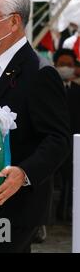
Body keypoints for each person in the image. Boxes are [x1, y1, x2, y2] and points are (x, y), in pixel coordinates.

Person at [0, 0, 70, 253]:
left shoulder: (40, 72)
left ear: (14, 21)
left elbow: (57, 139)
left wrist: (24, 173)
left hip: (18, 204)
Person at [53, 48, 80, 221]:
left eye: (69, 65)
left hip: (73, 142)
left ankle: (68, 211)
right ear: (55, 65)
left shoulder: (78, 89)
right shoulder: (48, 88)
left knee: (71, 178)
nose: (65, 68)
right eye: (62, 64)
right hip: (52, 141)